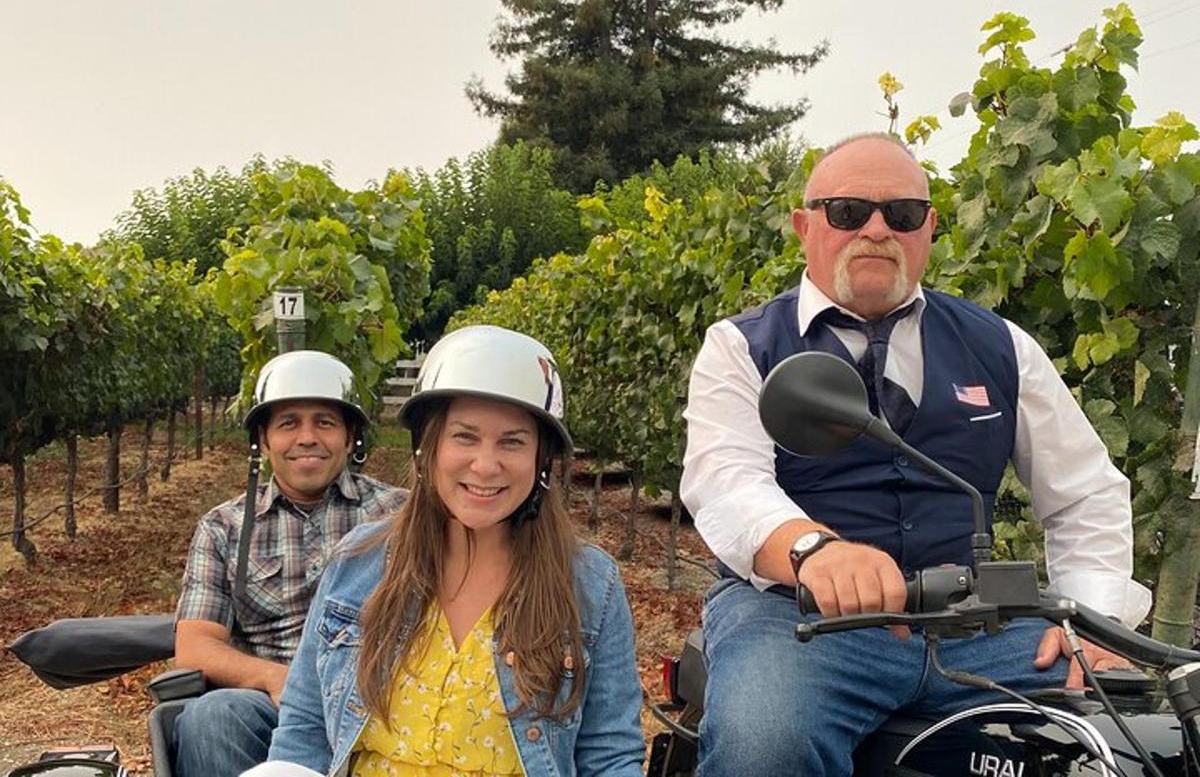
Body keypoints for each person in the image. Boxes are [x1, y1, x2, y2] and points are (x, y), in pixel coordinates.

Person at [681, 133, 1152, 777]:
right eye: (848, 211)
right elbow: (725, 479)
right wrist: (814, 550)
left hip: (975, 625)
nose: (876, 230)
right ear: (804, 226)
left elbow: (1084, 492)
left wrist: (1090, 622)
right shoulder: (741, 346)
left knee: (1134, 738)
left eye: (901, 214)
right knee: (766, 744)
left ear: (928, 229)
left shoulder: (1002, 345)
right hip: (797, 620)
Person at [257, 325, 645, 777]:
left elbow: (609, 757)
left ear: (541, 458)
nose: (485, 465)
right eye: (465, 436)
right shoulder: (357, 564)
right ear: (429, 446)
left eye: (512, 441)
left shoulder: (590, 585)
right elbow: (305, 729)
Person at [173, 350, 406, 777]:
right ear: (262, 441)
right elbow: (194, 648)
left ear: (351, 437)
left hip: (380, 700)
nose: (307, 438)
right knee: (212, 718)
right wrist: (276, 679)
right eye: (288, 423)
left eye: (325, 422)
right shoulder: (223, 528)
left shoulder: (400, 516)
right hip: (269, 704)